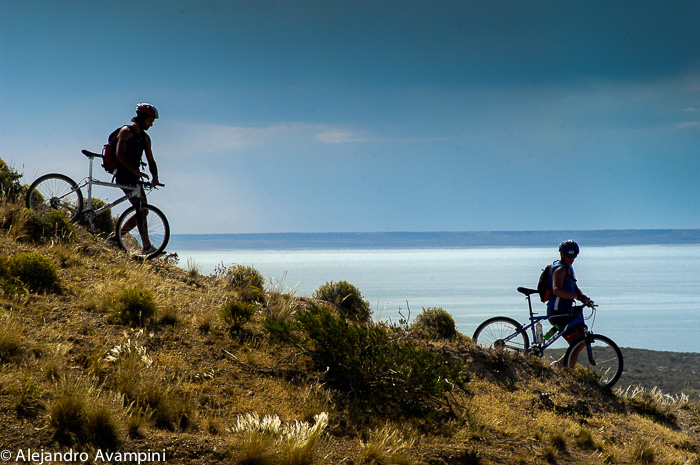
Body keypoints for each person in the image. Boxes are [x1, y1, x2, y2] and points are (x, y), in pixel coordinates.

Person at [113, 103, 161, 255]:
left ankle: (119, 238)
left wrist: (155, 177)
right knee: (142, 209)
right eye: (150, 120)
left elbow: (151, 160)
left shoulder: (146, 138)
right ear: (142, 118)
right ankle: (141, 245)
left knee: (143, 210)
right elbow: (119, 155)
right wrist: (135, 171)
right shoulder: (126, 132)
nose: (152, 124)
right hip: (123, 176)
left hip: (134, 177)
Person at [547, 239, 593, 367]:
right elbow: (557, 290)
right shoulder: (560, 269)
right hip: (557, 312)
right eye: (569, 256)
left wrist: (583, 297)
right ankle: (568, 373)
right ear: (561, 254)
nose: (571, 259)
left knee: (582, 341)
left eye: (574, 256)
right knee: (576, 344)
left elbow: (574, 285)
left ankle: (560, 365)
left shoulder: (569, 268)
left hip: (566, 310)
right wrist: (577, 297)